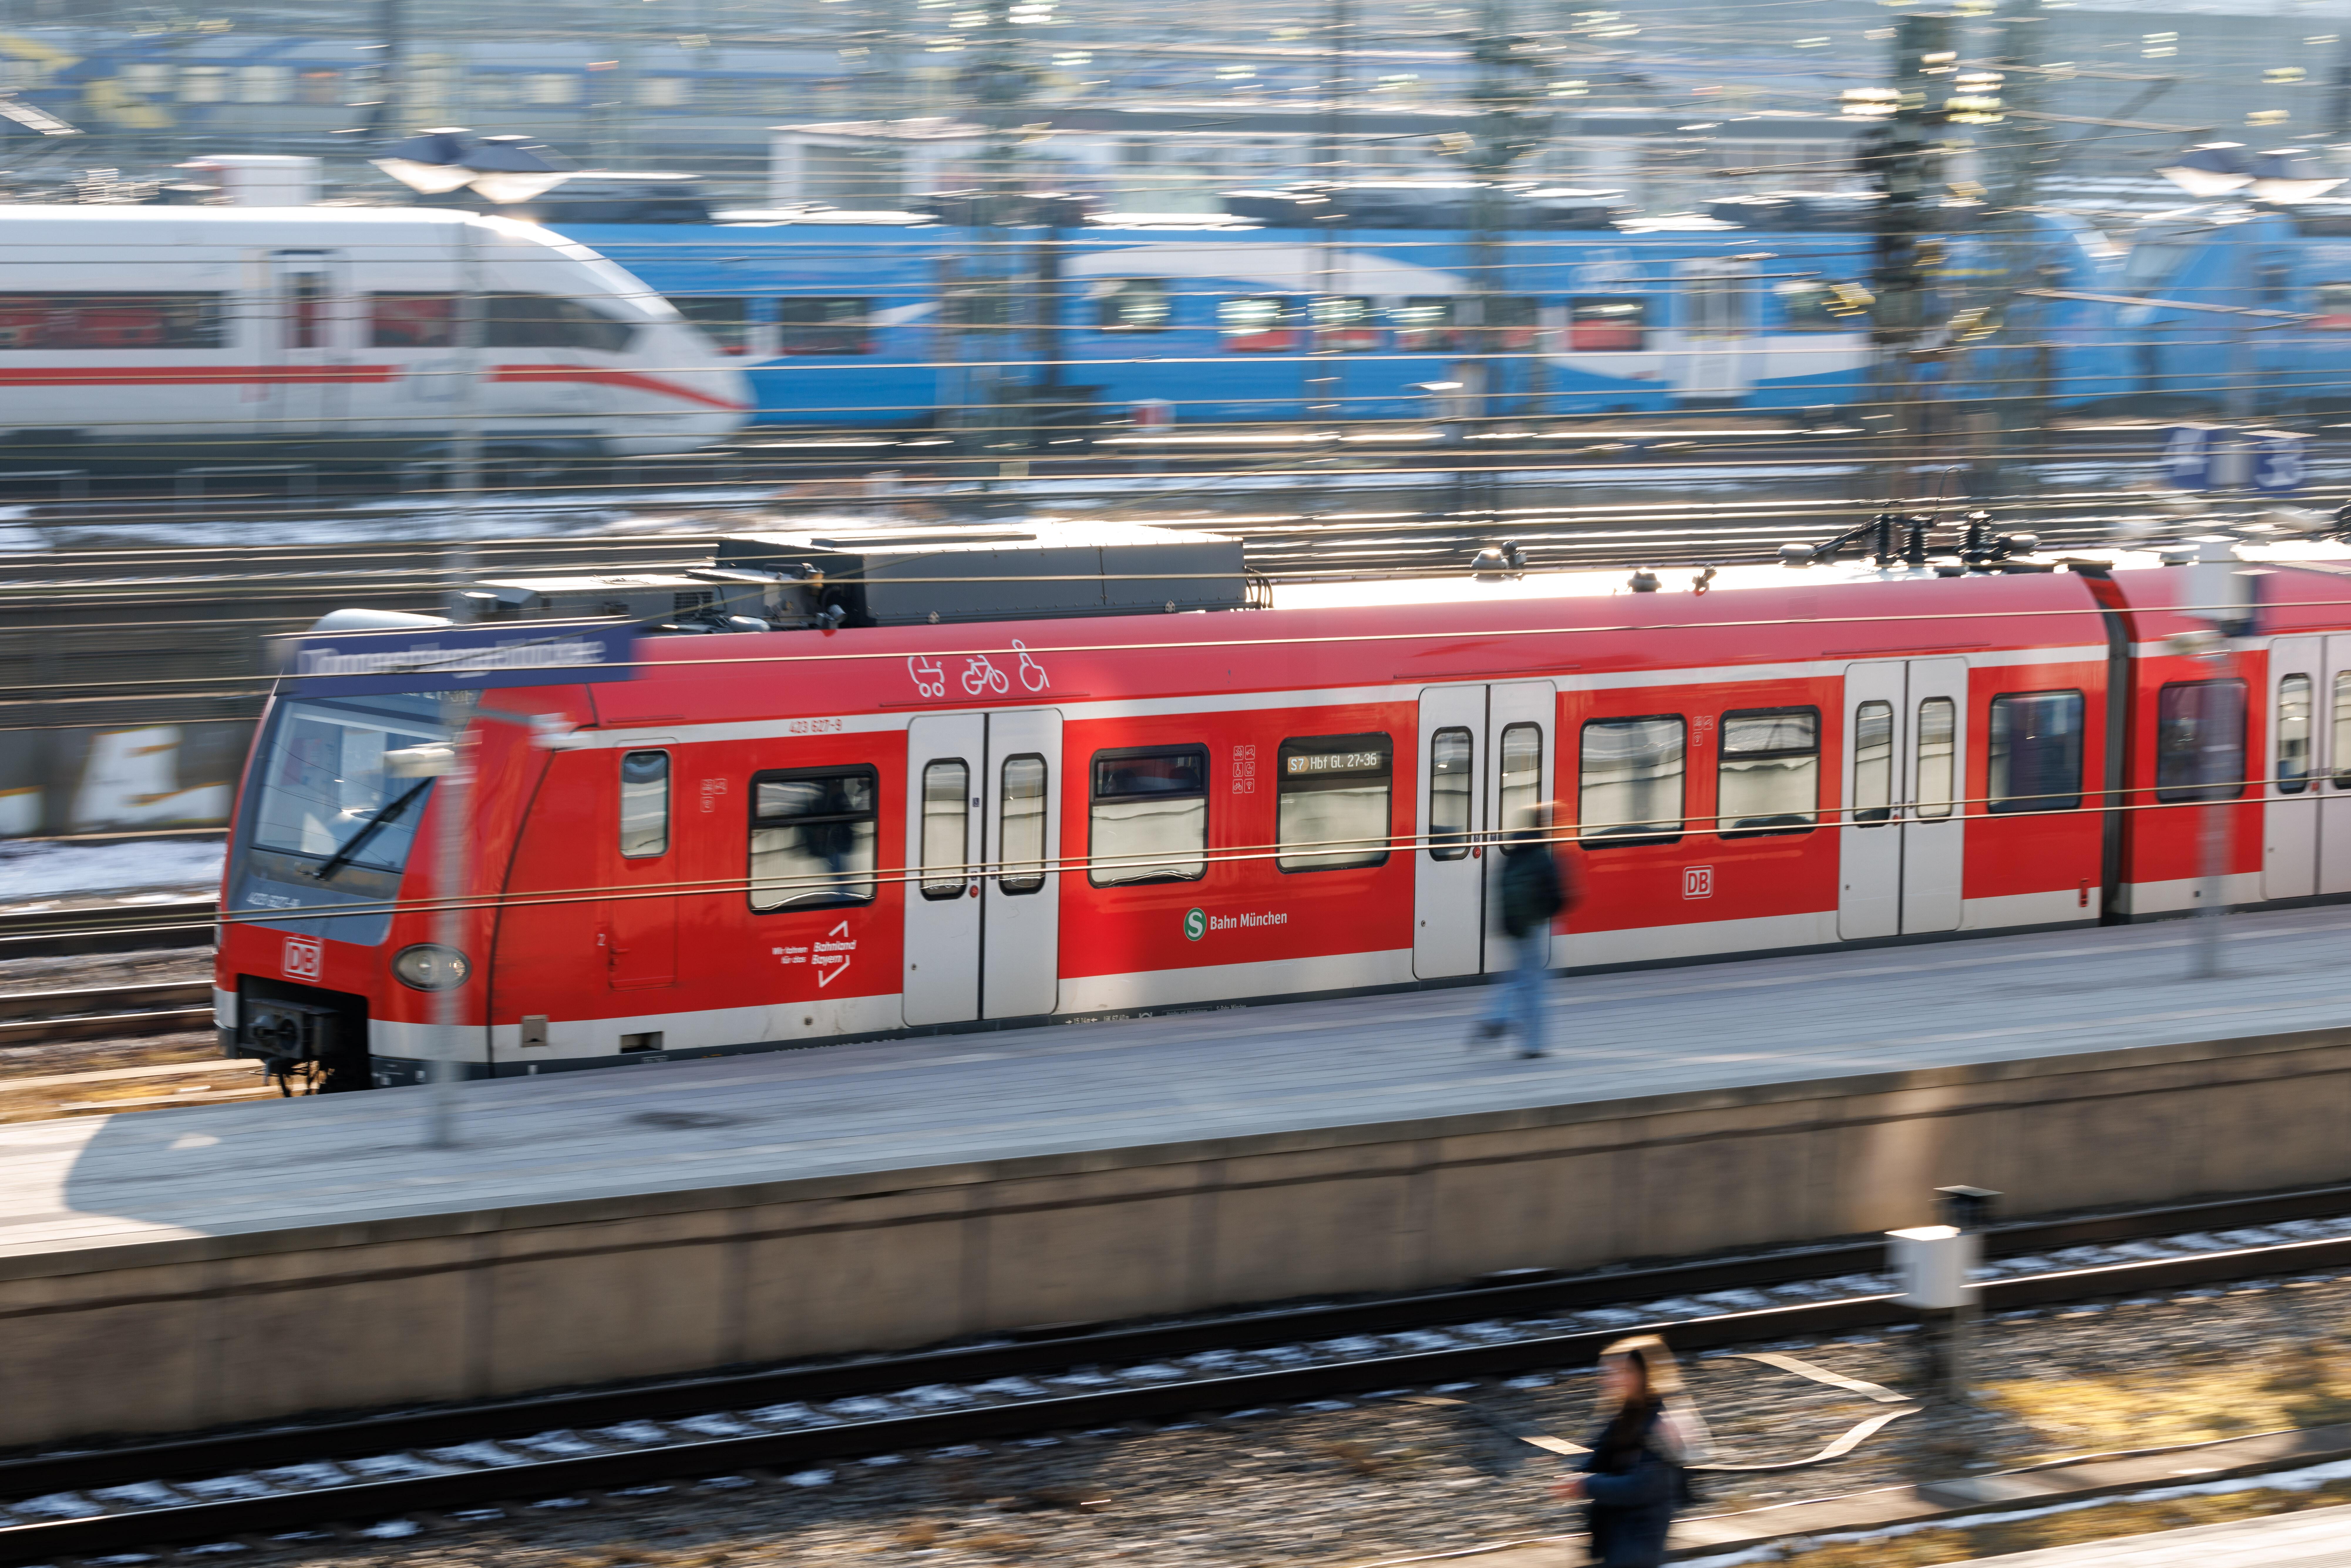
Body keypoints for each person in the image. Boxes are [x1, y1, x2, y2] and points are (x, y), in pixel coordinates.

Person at [1552, 1335, 1704, 1568]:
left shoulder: (1662, 1423)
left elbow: (1645, 1486)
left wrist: (1587, 1484)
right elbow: (1601, 1455)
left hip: (1638, 1541)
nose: (1609, 1379)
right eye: (1606, 1372)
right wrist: (1579, 1473)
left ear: (1646, 1374)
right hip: (1618, 1536)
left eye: (1621, 1371)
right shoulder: (1626, 1413)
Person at [1470, 804, 1578, 1058]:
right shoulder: (1543, 856)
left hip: (1515, 925)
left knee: (1519, 978)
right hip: (1536, 925)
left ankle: (1497, 1016)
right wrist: (1551, 910)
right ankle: (1531, 1044)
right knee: (1535, 985)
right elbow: (1560, 896)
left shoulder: (1515, 853)